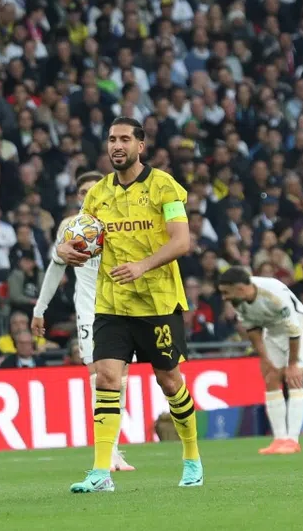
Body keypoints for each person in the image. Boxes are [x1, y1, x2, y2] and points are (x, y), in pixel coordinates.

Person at [60, 117, 202, 494]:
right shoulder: (98, 195)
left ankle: (191, 458)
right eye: (111, 139)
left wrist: (142, 265)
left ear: (141, 145)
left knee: (169, 381)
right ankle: (100, 471)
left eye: (124, 139)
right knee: (106, 378)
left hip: (157, 302)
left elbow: (181, 241)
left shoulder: (164, 187)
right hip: (112, 303)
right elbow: (81, 237)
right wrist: (65, 250)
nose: (116, 145)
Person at [31, 169, 132, 473]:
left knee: (120, 380)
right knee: (100, 376)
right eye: (83, 191)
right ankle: (108, 452)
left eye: (94, 189)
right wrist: (40, 309)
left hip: (121, 307)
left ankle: (114, 448)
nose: (89, 194)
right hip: (90, 309)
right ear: (77, 196)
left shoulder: (120, 220)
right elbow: (55, 267)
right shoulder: (70, 227)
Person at [218, 266, 303, 455]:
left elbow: (294, 331)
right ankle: (279, 439)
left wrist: (293, 364)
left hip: (299, 328)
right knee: (270, 378)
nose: (224, 297)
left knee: (294, 379)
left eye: (225, 292)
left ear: (240, 288)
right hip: (271, 331)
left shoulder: (273, 293)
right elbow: (252, 330)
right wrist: (265, 358)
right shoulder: (239, 302)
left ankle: (293, 441)